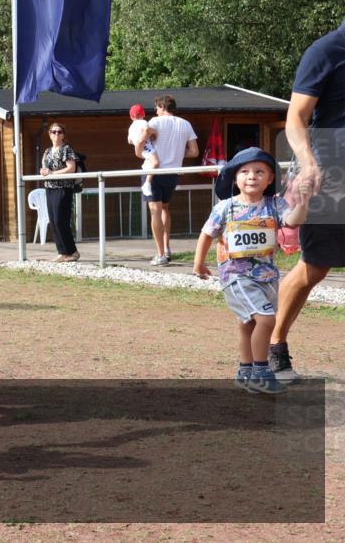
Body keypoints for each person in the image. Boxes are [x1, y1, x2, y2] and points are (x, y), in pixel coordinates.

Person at [193, 148, 311, 394]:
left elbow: (293, 221)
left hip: (267, 277)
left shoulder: (275, 204)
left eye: (260, 172)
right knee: (266, 319)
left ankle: (245, 370)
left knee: (248, 325)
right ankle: (261, 372)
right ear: (234, 178)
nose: (252, 176)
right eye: (244, 171)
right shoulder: (225, 207)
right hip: (236, 277)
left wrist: (303, 201)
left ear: (270, 179)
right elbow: (207, 234)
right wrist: (199, 263)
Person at [271, 19, 345, 382]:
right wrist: (309, 163)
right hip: (330, 176)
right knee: (314, 268)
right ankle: (274, 343)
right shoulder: (326, 52)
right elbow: (296, 117)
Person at [137, 95, 199, 265]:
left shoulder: (155, 122)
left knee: (155, 211)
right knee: (164, 208)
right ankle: (167, 247)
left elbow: (142, 139)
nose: (155, 111)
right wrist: (178, 153)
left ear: (162, 107)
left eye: (157, 107)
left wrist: (138, 146)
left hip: (153, 172)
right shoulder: (185, 124)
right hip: (173, 173)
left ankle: (160, 254)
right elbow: (194, 151)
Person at [39, 122, 80, 262]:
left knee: (60, 219)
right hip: (50, 188)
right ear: (49, 134)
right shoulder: (47, 151)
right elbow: (45, 169)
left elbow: (71, 168)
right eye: (54, 132)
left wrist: (52, 173)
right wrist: (45, 172)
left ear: (63, 135)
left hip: (63, 188)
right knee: (53, 220)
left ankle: (72, 251)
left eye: (59, 132)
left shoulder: (66, 149)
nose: (57, 134)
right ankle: (62, 252)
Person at [127, 104, 158, 197]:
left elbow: (129, 141)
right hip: (146, 146)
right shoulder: (143, 122)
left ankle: (147, 179)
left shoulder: (131, 127)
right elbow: (147, 130)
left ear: (131, 117)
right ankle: (147, 184)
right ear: (143, 114)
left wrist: (136, 143)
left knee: (150, 162)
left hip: (139, 147)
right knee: (155, 162)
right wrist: (154, 133)